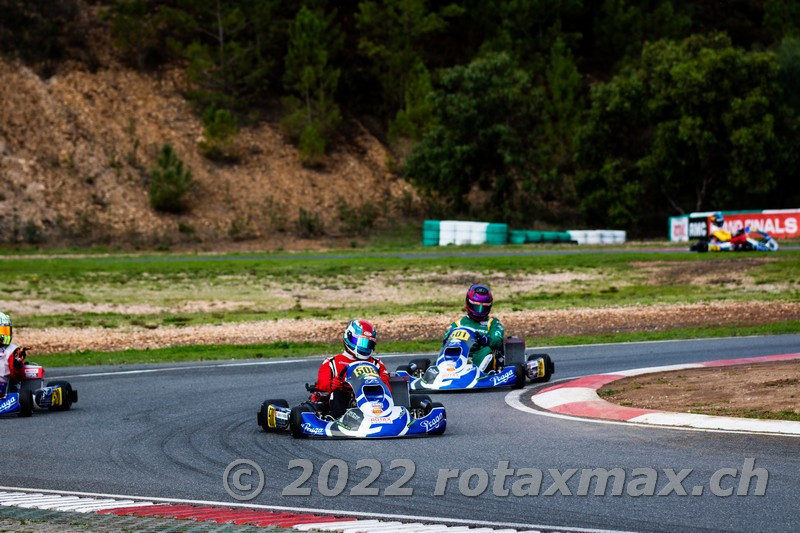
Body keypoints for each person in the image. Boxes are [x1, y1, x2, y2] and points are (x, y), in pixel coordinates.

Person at [315, 319, 390, 417]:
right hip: (342, 402)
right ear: (349, 337)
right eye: (361, 342)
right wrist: (333, 385)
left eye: (368, 344)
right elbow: (321, 384)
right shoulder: (332, 363)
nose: (364, 347)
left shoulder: (376, 364)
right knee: (338, 393)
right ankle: (340, 419)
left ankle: (385, 416)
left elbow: (386, 385)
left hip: (372, 400)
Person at [444, 284, 505, 372]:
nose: (480, 310)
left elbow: (497, 341)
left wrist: (484, 339)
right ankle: (445, 371)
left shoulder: (493, 323)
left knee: (487, 351)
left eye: (483, 306)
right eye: (476, 306)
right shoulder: (458, 324)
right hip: (460, 356)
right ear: (469, 303)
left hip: (479, 355)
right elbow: (446, 343)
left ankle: (476, 373)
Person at [0, 312, 27, 397]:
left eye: (5, 331)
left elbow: (18, 377)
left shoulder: (13, 350)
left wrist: (17, 366)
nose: (3, 335)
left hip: (4, 387)